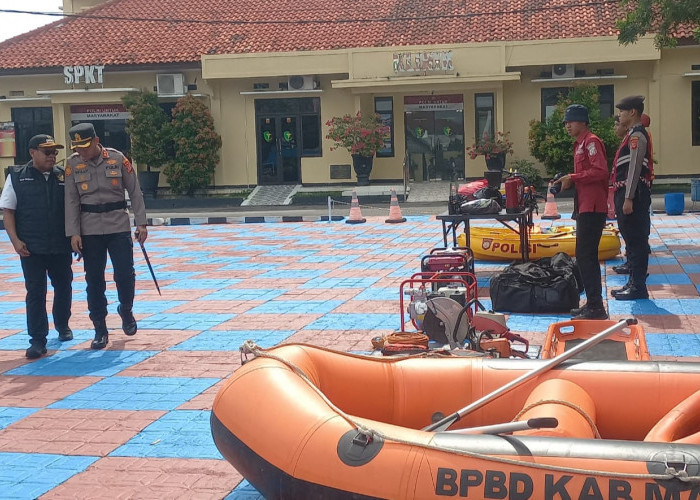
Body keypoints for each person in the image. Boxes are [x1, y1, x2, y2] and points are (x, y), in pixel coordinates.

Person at [64, 123, 148, 349]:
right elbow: (71, 200)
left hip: (117, 225)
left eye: (85, 146)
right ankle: (100, 328)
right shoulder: (72, 164)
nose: (81, 151)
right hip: (89, 229)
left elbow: (135, 191)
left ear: (96, 141)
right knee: (94, 281)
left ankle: (126, 309)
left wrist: (141, 223)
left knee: (125, 274)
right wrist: (73, 233)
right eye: (77, 147)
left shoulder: (118, 159)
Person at [0, 135, 73, 359]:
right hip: (31, 248)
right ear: (32, 153)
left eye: (55, 152)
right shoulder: (16, 177)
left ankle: (62, 324)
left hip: (60, 245)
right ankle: (38, 340)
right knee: (35, 292)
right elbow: (8, 212)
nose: (52, 156)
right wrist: (15, 240)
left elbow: (75, 209)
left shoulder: (64, 176)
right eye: (47, 152)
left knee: (64, 287)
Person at [554, 104, 610, 320]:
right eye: (566, 122)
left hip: (593, 207)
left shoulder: (591, 142)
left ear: (583, 122)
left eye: (571, 121)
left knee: (587, 256)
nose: (567, 126)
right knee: (585, 256)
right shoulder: (580, 144)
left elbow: (600, 171)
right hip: (585, 205)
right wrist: (569, 180)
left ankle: (596, 306)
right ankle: (593, 304)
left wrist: (573, 177)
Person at [610, 96, 653, 300]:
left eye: (622, 111)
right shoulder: (630, 135)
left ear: (633, 112)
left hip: (634, 194)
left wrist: (629, 197)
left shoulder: (637, 136)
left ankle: (638, 287)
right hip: (627, 192)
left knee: (636, 240)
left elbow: (635, 168)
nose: (619, 115)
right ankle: (633, 282)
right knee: (631, 238)